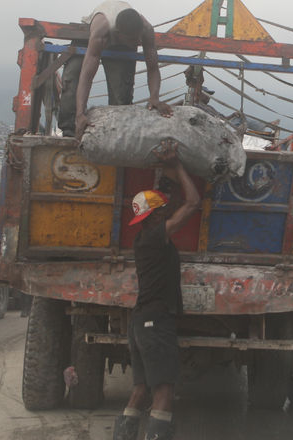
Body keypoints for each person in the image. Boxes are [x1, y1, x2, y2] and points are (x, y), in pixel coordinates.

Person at [113, 140, 200, 440]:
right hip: (154, 322)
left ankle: (123, 435)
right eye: (161, 209)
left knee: (140, 389)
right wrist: (177, 165)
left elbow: (173, 202)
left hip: (141, 323)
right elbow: (192, 204)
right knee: (163, 391)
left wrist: (167, 173)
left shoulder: (146, 237)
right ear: (153, 216)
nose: (165, 211)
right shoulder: (155, 237)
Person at [59, 0, 172, 138]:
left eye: (137, 39)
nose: (136, 43)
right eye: (132, 40)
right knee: (72, 77)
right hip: (87, 35)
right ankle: (71, 130)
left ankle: (116, 134)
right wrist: (80, 113)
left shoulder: (146, 30)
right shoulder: (101, 31)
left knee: (121, 94)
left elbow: (153, 67)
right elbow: (87, 75)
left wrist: (154, 97)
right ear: (118, 33)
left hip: (119, 40)